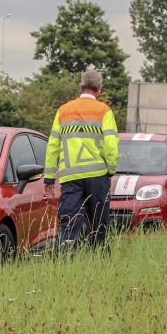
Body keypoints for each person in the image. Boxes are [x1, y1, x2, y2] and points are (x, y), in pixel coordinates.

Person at [43, 70, 119, 254]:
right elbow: (111, 145)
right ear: (99, 89)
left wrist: (49, 178)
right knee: (98, 224)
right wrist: (110, 170)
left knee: (68, 223)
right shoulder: (104, 111)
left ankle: (64, 262)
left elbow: (53, 146)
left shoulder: (63, 111)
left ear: (80, 86)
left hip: (71, 177)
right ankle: (100, 260)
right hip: (98, 175)